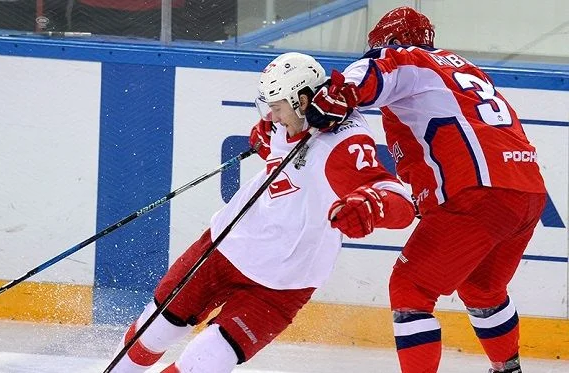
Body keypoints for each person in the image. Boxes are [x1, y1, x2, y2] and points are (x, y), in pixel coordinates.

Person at [109, 52, 416, 373]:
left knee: (205, 360)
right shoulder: (284, 122)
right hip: (225, 248)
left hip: (283, 282)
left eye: (278, 106)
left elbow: (401, 204)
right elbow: (281, 142)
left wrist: (371, 206)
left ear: (302, 99)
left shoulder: (341, 146)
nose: (271, 115)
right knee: (155, 329)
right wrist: (269, 137)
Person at [305, 7, 547, 373]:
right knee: (482, 289)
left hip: (477, 194)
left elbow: (376, 70)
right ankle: (508, 370)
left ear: (390, 42)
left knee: (410, 290)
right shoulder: (461, 68)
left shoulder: (406, 58)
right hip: (527, 193)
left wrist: (339, 93)